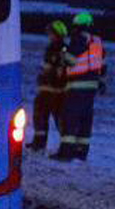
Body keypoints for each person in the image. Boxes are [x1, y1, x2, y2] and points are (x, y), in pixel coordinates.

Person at [53, 11, 107, 161]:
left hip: (77, 85)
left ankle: (65, 153)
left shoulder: (79, 39)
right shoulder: (97, 42)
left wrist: (63, 53)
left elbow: (70, 60)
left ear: (79, 26)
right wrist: (102, 82)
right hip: (92, 86)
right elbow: (102, 65)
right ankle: (81, 152)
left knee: (69, 117)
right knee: (85, 119)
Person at [27, 19, 68, 151]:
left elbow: (50, 69)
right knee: (58, 118)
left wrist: (44, 78)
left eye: (50, 32)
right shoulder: (65, 49)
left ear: (56, 34)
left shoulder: (54, 48)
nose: (49, 35)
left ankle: (39, 143)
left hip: (49, 89)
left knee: (40, 115)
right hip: (59, 90)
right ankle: (65, 145)